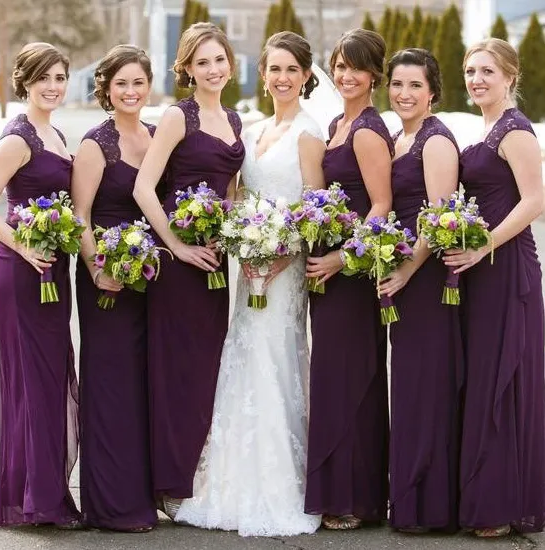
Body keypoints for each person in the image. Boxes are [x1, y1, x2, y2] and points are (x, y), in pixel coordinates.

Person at [175, 31, 326, 537]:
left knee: (274, 360)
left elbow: (315, 209)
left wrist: (283, 254)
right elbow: (239, 196)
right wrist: (244, 239)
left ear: (306, 76)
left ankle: (281, 485)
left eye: (291, 70)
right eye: (273, 69)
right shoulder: (257, 128)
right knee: (239, 361)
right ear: (261, 75)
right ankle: (229, 480)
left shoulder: (308, 133)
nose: (281, 78)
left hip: (282, 275)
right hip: (249, 268)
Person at [133, 22, 245, 518]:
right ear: (187, 69)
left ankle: (196, 473)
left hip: (215, 264)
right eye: (202, 63)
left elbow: (230, 192)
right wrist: (176, 246)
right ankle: (168, 483)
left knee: (207, 369)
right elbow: (143, 188)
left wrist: (241, 230)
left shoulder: (236, 120)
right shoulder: (180, 117)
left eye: (219, 60)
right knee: (176, 370)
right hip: (180, 267)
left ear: (230, 64)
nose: (213, 70)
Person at [443, 38, 545, 538]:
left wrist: (484, 245)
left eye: (486, 71)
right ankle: (484, 494)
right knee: (482, 374)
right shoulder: (483, 127)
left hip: (507, 268)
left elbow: (535, 201)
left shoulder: (515, 129)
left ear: (509, 76)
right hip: (479, 268)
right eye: (470, 71)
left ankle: (504, 504)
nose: (476, 80)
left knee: (504, 376)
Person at [304, 28, 392, 530]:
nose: (345, 75)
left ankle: (354, 498)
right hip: (328, 271)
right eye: (339, 65)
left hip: (352, 273)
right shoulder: (339, 122)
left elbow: (380, 205)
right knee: (333, 375)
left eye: (356, 67)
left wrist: (340, 257)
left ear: (374, 74)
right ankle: (340, 490)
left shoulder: (365, 130)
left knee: (351, 376)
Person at [72, 45, 158, 532]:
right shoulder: (93, 143)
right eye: (121, 83)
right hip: (105, 280)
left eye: (138, 83)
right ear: (105, 87)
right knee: (110, 384)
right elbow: (81, 217)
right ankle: (110, 503)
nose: (131, 91)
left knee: (143, 383)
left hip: (149, 279)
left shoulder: (153, 135)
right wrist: (97, 266)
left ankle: (142, 492)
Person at [0, 42, 81, 528]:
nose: (53, 87)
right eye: (44, 78)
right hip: (20, 271)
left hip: (53, 270)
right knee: (30, 380)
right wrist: (24, 245)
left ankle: (43, 493)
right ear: (25, 82)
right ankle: (34, 499)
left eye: (60, 78)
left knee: (48, 379)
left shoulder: (56, 132)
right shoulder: (18, 137)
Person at [379, 48, 463, 533]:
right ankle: (408, 499)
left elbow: (438, 215)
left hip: (427, 280)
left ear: (432, 92)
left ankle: (430, 507)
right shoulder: (397, 137)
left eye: (415, 85)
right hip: (402, 275)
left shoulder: (435, 141)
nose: (404, 93)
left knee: (426, 386)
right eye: (398, 84)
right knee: (409, 386)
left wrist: (408, 270)